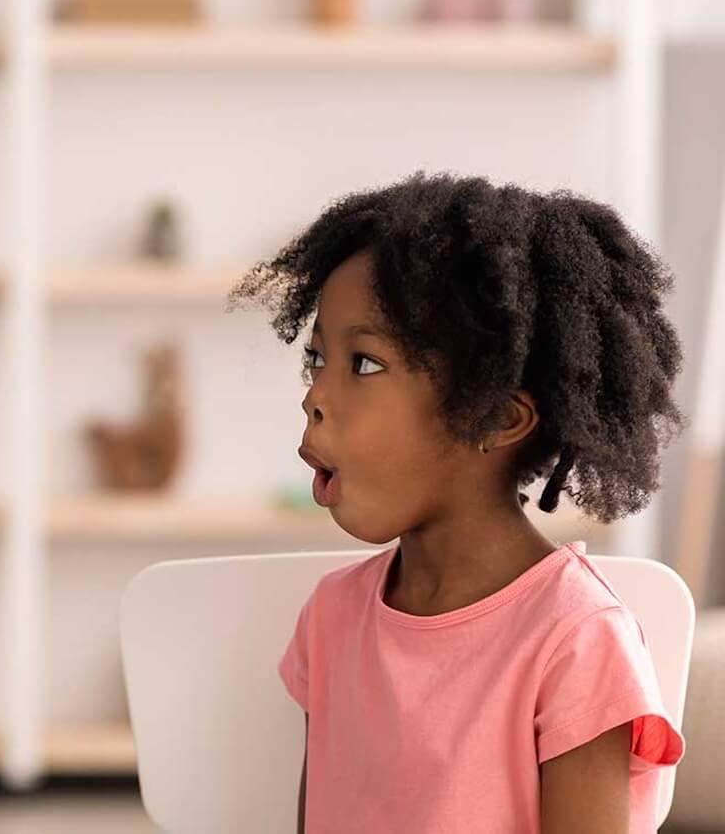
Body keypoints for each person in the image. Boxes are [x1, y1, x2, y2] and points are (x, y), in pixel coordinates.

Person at [234, 174, 687, 832]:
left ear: (495, 418)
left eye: (362, 363)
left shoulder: (575, 641)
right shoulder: (331, 620)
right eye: (316, 362)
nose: (315, 396)